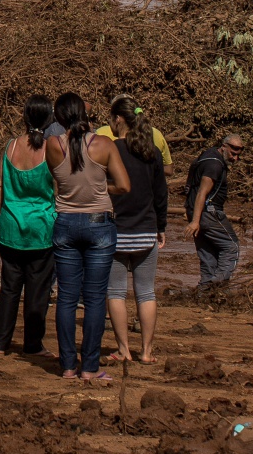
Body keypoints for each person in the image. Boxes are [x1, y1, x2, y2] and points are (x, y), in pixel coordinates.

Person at [46, 92, 132, 382]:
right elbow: (123, 185)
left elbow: (57, 181)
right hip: (99, 224)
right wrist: (99, 188)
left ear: (58, 118)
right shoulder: (104, 144)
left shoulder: (52, 145)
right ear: (85, 114)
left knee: (66, 298)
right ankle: (90, 367)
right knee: (95, 299)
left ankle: (68, 365)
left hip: (66, 223)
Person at [0, 96, 57, 357]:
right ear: (50, 119)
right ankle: (32, 344)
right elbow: (58, 188)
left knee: (9, 289)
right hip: (42, 229)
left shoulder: (10, 146)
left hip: (10, 227)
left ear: (25, 117)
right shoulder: (50, 149)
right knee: (37, 291)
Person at [105, 97, 167, 364]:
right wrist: (161, 227)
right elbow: (160, 194)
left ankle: (123, 349)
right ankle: (146, 352)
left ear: (118, 119)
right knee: (146, 292)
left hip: (116, 232)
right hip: (146, 231)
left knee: (116, 292)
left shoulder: (110, 150)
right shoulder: (151, 151)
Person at [184, 134, 244, 288]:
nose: (235, 159)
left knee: (207, 252)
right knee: (231, 246)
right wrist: (195, 221)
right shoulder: (214, 165)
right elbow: (202, 193)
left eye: (238, 155)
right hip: (207, 213)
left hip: (194, 210)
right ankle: (216, 284)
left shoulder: (208, 155)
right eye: (233, 153)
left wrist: (192, 217)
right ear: (224, 146)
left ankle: (205, 291)